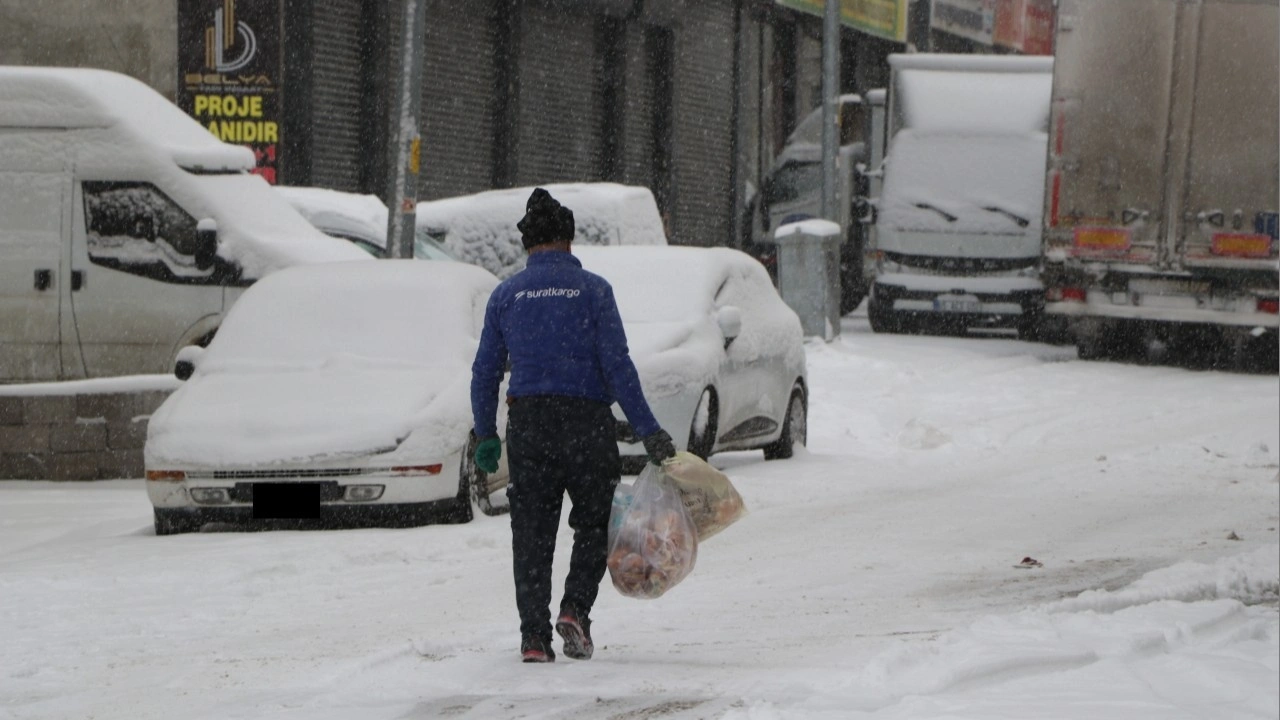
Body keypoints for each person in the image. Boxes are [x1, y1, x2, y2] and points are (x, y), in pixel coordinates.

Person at [470, 187, 677, 663]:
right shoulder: (594, 291)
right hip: (586, 422)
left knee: (532, 531)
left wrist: (486, 434)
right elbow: (618, 366)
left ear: (528, 245)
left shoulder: (506, 295)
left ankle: (533, 638)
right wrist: (648, 429)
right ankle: (575, 610)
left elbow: (485, 371)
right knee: (595, 523)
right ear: (569, 240)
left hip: (529, 424)